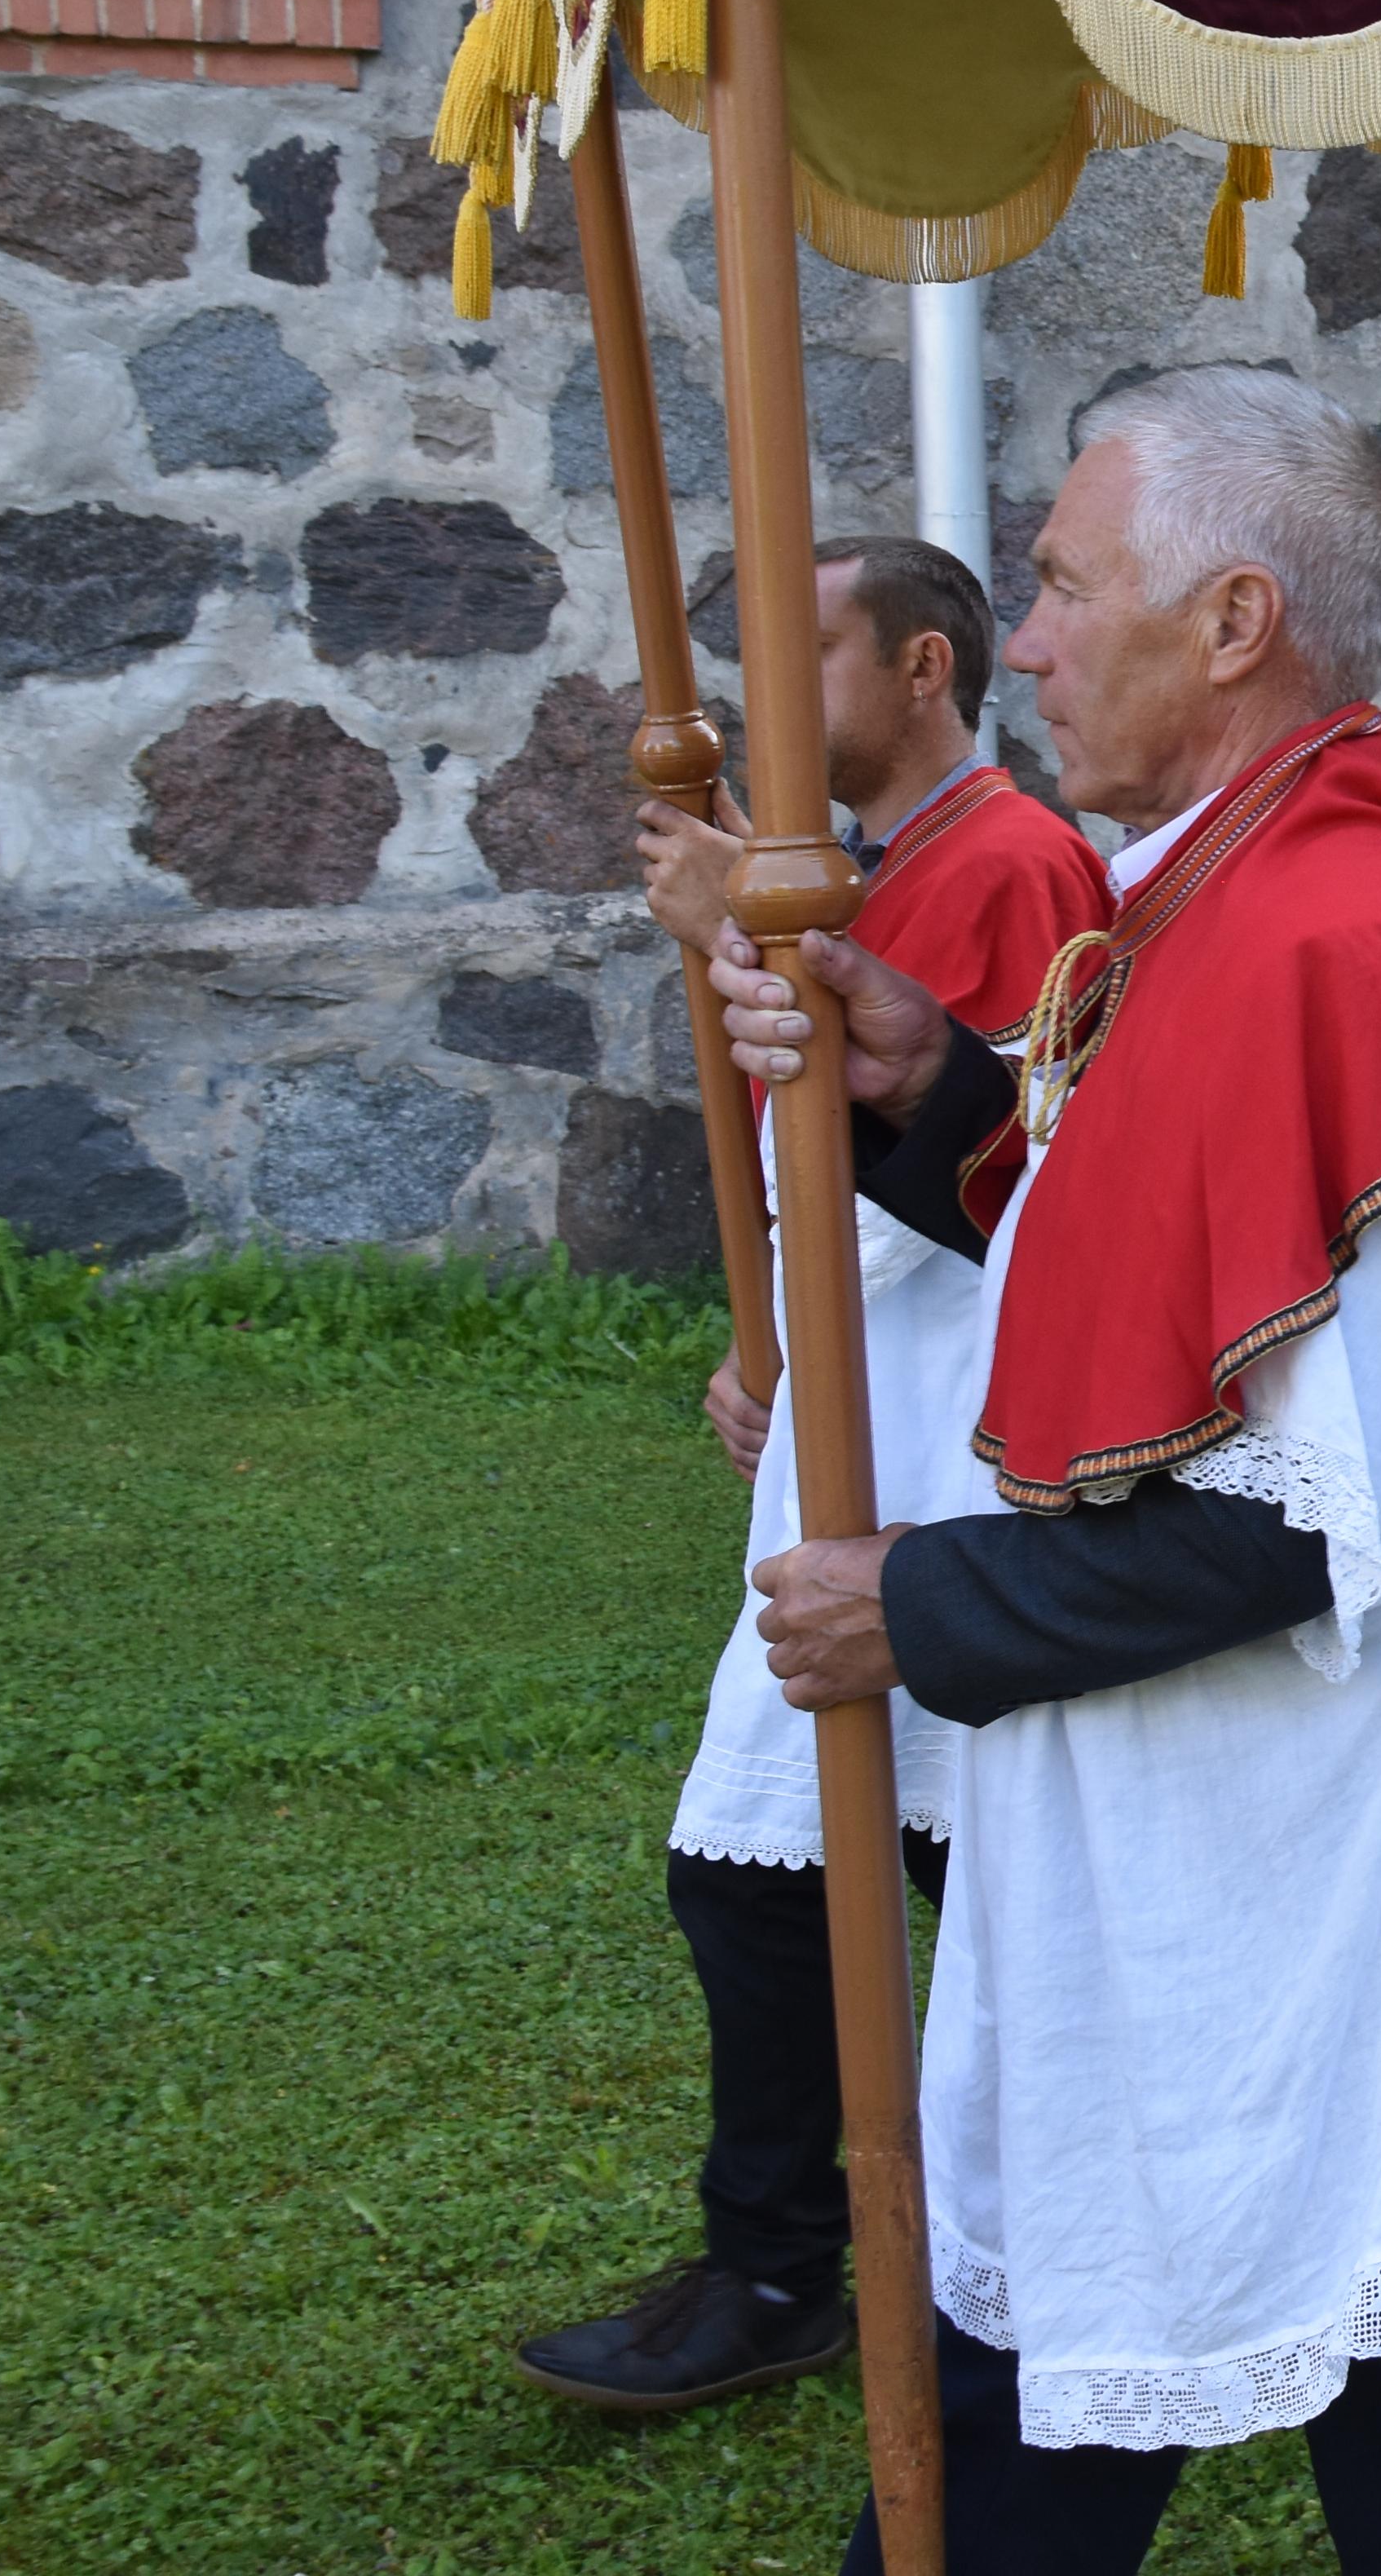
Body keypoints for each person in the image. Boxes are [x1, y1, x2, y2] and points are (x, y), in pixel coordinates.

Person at [700, 369, 1381, 2570]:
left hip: (1324, 1841)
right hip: (1253, 1834)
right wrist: (940, 1090)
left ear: (1238, 615)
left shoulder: (1341, 945)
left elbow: (1320, 1501)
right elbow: (1171, 1286)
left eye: (1069, 585)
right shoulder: (1248, 900)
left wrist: (925, 1605)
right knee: (1346, 2361)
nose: (1036, 638)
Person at [514, 535, 1108, 2419]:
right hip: (864, 1402)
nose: (772, 707)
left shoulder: (1007, 858)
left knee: (801, 1862)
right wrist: (767, 1339)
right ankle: (868, 2238)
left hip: (942, 1420)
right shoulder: (875, 868)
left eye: (809, 656)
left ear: (922, 665)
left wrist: (727, 926)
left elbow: (998, 1166)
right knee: (882, 1850)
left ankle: (797, 2258)